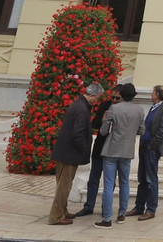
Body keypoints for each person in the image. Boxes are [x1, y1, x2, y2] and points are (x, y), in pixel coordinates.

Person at [49, 82, 104, 226]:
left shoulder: (79, 105)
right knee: (64, 185)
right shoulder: (81, 109)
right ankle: (56, 216)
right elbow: (77, 134)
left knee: (64, 184)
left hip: (66, 152)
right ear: (91, 95)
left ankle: (63, 211)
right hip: (69, 153)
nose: (97, 100)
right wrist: (84, 147)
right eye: (97, 98)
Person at [95, 82, 144, 227]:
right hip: (127, 149)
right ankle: (122, 213)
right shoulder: (140, 110)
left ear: (122, 95)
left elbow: (103, 131)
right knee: (124, 183)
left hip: (111, 148)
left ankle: (108, 218)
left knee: (109, 185)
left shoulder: (114, 108)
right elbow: (142, 130)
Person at [75, 84, 121, 217]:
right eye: (112, 97)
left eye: (117, 98)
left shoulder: (124, 110)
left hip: (113, 149)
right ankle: (89, 206)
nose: (114, 100)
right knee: (93, 178)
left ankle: (105, 208)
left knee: (110, 181)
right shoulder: (105, 105)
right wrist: (102, 121)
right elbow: (94, 124)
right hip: (100, 147)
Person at [130, 84, 163, 221]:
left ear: (158, 94)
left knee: (151, 179)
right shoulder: (152, 108)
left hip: (151, 148)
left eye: (153, 92)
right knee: (142, 178)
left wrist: (152, 145)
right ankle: (139, 206)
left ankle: (151, 208)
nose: (151, 94)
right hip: (144, 146)